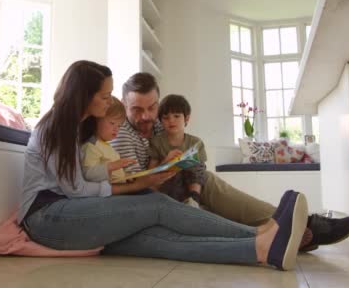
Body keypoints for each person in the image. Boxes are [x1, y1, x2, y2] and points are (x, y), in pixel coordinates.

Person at [18, 60, 308, 270]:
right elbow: (77, 190)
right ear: (84, 96)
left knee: (158, 240)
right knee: (155, 204)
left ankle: (261, 247)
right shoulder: (56, 127)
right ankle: (260, 233)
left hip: (74, 216)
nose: (109, 103)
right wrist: (143, 184)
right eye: (105, 97)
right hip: (48, 217)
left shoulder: (82, 128)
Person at [109, 72, 349, 252]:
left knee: (203, 183)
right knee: (208, 191)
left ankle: (293, 227)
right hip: (153, 201)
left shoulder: (157, 125)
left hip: (176, 191)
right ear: (123, 105)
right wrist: (160, 171)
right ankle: (296, 226)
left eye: (152, 108)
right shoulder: (120, 134)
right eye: (137, 110)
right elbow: (136, 195)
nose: (146, 117)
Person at [148, 94, 207, 208]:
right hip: (168, 182)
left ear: (186, 118)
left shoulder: (196, 142)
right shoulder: (156, 142)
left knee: (198, 166)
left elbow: (200, 171)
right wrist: (166, 162)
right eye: (166, 117)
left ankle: (194, 199)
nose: (171, 121)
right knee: (174, 174)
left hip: (190, 184)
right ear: (160, 121)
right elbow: (151, 171)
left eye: (176, 116)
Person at [81, 96, 136, 184]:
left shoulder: (106, 145)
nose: (116, 129)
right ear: (96, 120)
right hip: (107, 192)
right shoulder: (91, 146)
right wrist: (112, 166)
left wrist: (125, 176)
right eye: (112, 123)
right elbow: (87, 174)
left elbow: (113, 173)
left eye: (119, 125)